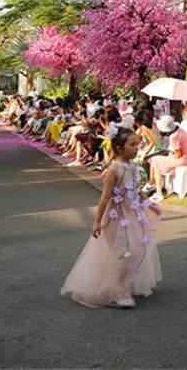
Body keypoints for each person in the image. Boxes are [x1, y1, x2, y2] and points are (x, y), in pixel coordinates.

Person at [61, 129, 162, 308]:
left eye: (137, 143)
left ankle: (122, 284)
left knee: (137, 249)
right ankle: (116, 291)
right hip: (117, 216)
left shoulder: (132, 166)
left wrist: (151, 205)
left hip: (133, 214)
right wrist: (97, 221)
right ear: (119, 148)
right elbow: (105, 197)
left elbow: (136, 189)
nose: (137, 148)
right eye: (132, 144)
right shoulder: (114, 169)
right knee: (126, 251)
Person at [148, 116, 187, 198]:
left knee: (155, 160)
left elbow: (178, 155)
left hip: (183, 159)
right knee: (157, 162)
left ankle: (155, 188)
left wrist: (171, 154)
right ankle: (156, 188)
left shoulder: (173, 137)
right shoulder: (180, 130)